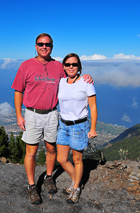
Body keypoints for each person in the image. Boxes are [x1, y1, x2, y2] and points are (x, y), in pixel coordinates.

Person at [11, 33, 92, 205]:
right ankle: (32, 186)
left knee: (51, 149)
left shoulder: (58, 66)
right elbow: (18, 91)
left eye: (47, 44)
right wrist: (19, 115)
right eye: (41, 44)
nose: (44, 47)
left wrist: (87, 77)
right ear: (35, 46)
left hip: (53, 114)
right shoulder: (25, 66)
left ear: (52, 47)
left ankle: (49, 177)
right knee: (31, 152)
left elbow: (72, 74)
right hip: (32, 113)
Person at [56, 53, 98, 204]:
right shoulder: (61, 82)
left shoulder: (86, 83)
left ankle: (75, 188)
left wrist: (92, 128)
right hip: (63, 125)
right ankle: (77, 181)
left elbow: (93, 107)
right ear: (64, 67)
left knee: (77, 159)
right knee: (61, 158)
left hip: (79, 126)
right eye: (68, 64)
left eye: (74, 64)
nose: (71, 67)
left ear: (79, 67)